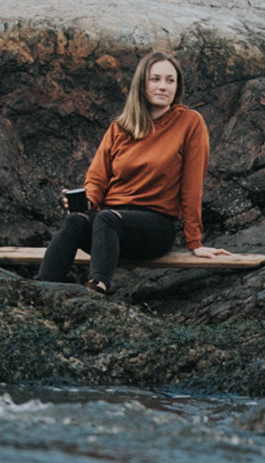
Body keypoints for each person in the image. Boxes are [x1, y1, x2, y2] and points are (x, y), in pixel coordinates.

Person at [36, 51, 230, 294]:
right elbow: (97, 178)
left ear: (177, 86)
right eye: (155, 79)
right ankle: (39, 290)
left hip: (154, 228)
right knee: (75, 220)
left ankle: (98, 289)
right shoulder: (120, 128)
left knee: (107, 217)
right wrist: (87, 200)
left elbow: (192, 188)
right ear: (142, 84)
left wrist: (195, 242)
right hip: (109, 231)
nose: (163, 87)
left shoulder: (190, 123)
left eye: (170, 80)